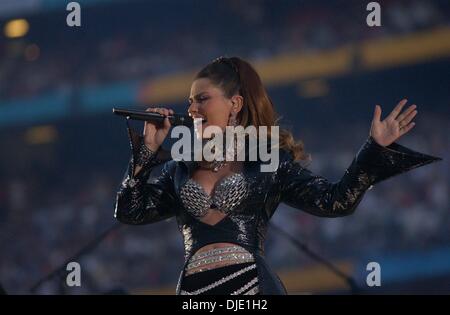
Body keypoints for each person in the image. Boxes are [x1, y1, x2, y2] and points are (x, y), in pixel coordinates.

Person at [114, 56, 441, 295]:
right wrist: (146, 152)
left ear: (235, 104)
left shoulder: (267, 161)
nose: (193, 109)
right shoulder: (178, 168)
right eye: (189, 102)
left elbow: (335, 201)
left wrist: (374, 148)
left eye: (202, 99)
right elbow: (130, 212)